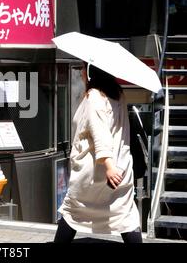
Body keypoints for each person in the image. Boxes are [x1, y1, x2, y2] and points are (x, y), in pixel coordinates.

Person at [54, 63, 142, 243]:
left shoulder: (94, 96)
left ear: (92, 72)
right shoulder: (117, 93)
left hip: (97, 172)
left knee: (73, 211)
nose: (81, 73)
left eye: (83, 69)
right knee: (125, 215)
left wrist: (108, 166)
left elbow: (99, 132)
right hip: (121, 167)